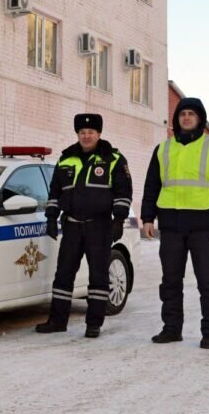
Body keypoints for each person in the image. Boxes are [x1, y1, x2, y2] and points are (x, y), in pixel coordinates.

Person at [141, 97, 209, 349]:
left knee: (207, 281)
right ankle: (172, 329)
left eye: (191, 114)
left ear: (199, 119)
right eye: (182, 113)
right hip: (171, 225)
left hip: (204, 225)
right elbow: (152, 185)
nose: (186, 117)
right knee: (170, 281)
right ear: (176, 119)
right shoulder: (163, 148)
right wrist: (148, 217)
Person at [36, 113, 133, 338]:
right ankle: (57, 320)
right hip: (72, 225)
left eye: (91, 132)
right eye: (82, 132)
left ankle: (94, 324)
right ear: (77, 134)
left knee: (98, 276)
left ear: (99, 133)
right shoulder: (66, 158)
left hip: (99, 226)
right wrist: (51, 217)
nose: (86, 136)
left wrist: (118, 219)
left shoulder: (114, 159)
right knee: (63, 275)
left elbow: (123, 192)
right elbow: (54, 192)